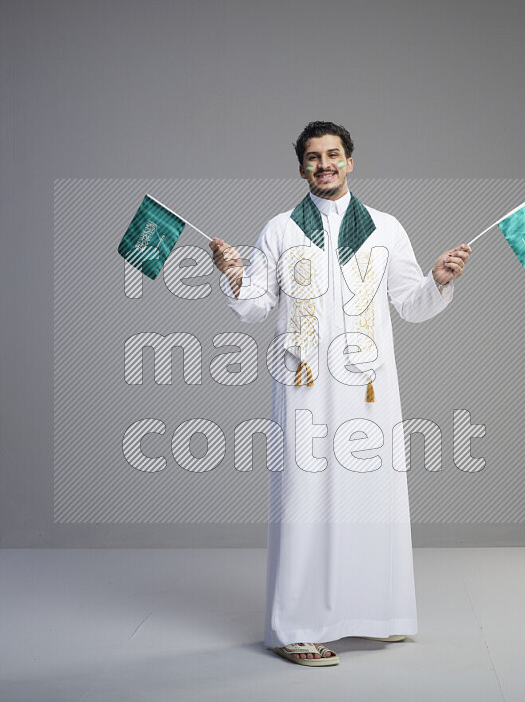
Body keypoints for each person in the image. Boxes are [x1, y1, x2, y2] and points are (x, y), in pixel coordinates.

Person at [210, 121, 471, 666]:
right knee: (303, 499)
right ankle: (294, 628)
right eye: (312, 157)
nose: (324, 164)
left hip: (369, 387)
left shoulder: (384, 228)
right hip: (303, 384)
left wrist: (439, 279)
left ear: (350, 161)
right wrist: (233, 272)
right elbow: (256, 305)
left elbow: (412, 303)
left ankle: (376, 613)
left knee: (372, 496)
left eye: (333, 155)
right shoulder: (280, 229)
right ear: (301, 167)